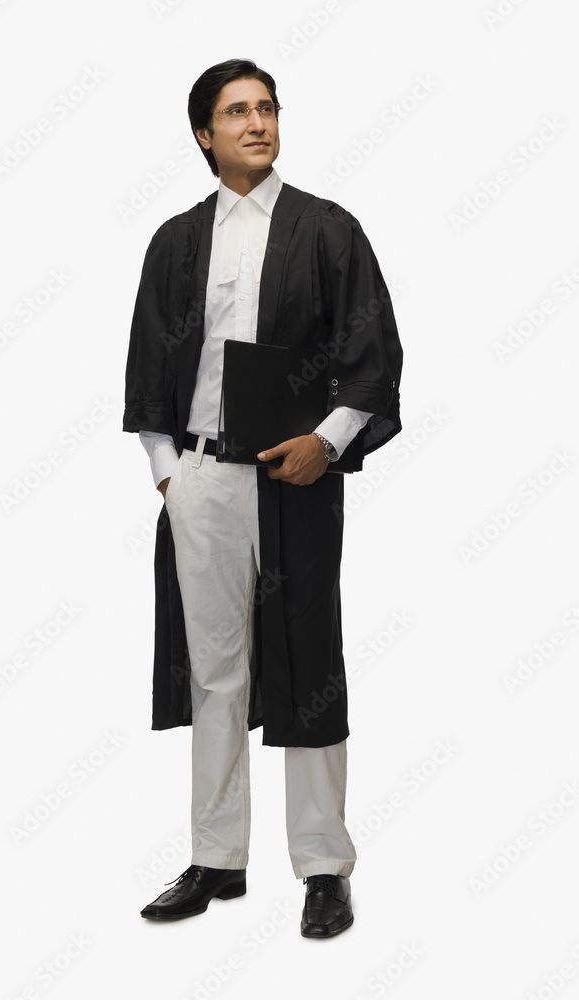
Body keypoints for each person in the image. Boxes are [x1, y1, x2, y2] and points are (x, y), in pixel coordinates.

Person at [123, 58, 403, 938]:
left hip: (296, 477)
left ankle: (323, 867)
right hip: (202, 480)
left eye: (267, 108)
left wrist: (328, 443)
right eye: (237, 111)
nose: (257, 123)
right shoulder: (176, 241)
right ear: (203, 134)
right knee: (214, 668)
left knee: (309, 661)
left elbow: (372, 353)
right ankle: (216, 858)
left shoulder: (326, 230)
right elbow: (147, 365)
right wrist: (169, 474)